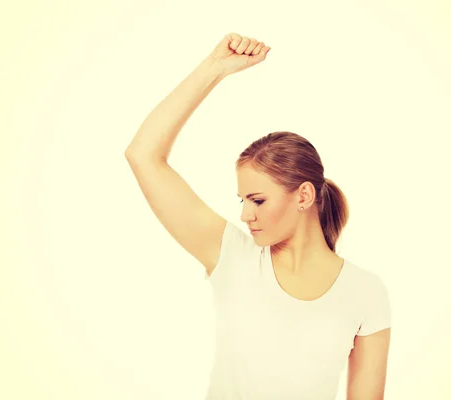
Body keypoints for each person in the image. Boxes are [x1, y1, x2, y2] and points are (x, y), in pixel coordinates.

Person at [125, 33, 392, 400]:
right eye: (242, 200)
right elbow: (143, 155)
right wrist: (214, 70)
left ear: (304, 195)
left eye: (258, 200)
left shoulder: (365, 291)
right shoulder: (233, 257)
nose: (245, 214)